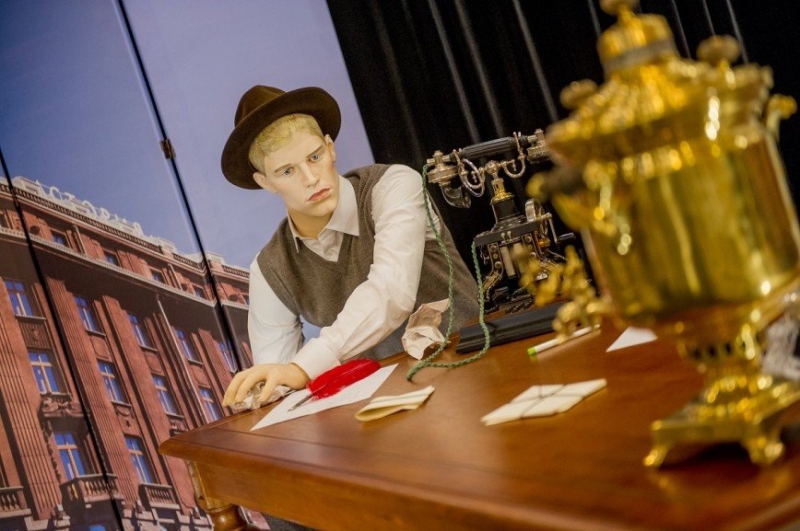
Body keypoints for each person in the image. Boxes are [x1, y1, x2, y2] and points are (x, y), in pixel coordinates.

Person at [220, 84, 478, 413]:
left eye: (314, 157)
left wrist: (301, 369)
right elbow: (278, 379)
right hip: (385, 411)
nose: (310, 178)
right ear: (265, 182)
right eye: (287, 171)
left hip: (473, 371)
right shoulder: (269, 269)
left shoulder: (393, 186)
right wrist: (263, 391)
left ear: (330, 149)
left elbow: (391, 293)